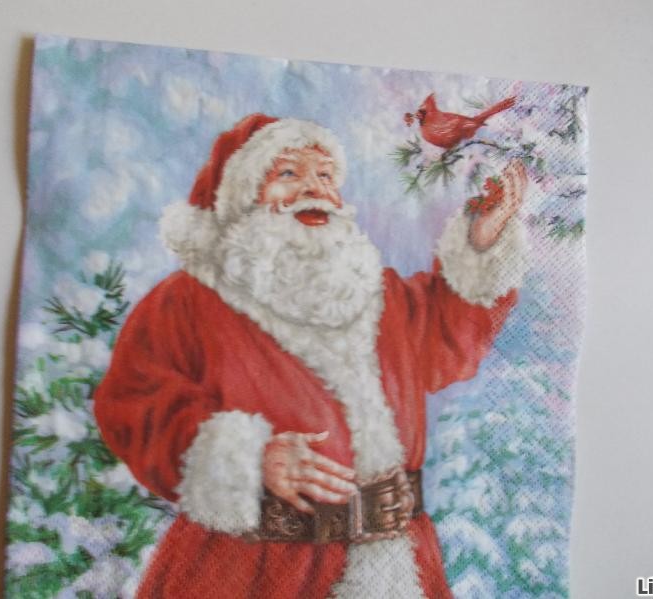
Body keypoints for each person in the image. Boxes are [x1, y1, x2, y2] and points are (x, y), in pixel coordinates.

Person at [94, 113, 528, 598]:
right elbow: (132, 404)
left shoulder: (377, 293)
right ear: (242, 195)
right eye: (288, 173)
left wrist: (481, 244)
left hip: (394, 565)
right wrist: (247, 458)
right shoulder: (189, 300)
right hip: (252, 570)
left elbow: (446, 342)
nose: (314, 189)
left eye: (325, 175)